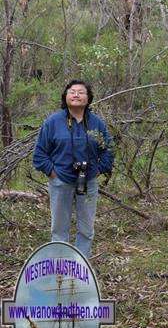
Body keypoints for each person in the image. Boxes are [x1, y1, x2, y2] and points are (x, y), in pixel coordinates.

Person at [33, 80, 114, 259]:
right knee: (59, 229)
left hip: (88, 181)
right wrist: (53, 174)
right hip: (61, 181)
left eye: (81, 92)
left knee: (86, 229)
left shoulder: (96, 123)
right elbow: (39, 154)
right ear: (66, 96)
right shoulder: (53, 122)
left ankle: (80, 268)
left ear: (88, 98)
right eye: (72, 91)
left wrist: (99, 170)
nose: (76, 95)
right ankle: (61, 268)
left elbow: (108, 149)